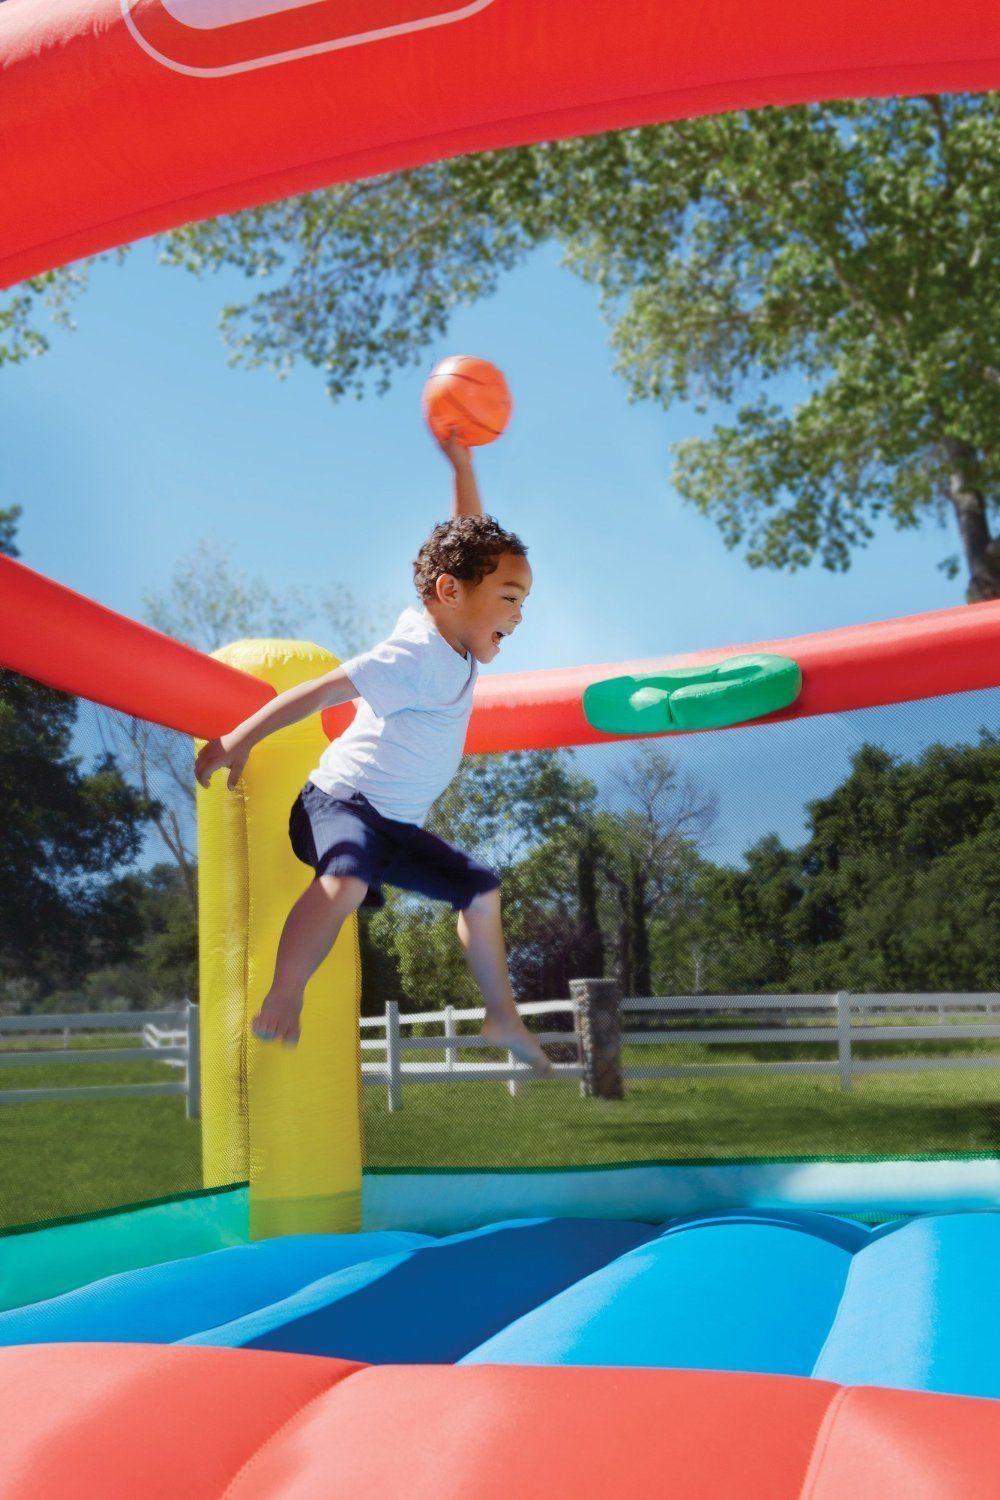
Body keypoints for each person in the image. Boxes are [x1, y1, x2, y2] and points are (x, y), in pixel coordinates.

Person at [194, 432, 553, 1075]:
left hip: (393, 826)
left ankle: (501, 1013)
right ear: (451, 593)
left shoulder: (458, 638)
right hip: (337, 804)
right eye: (509, 598)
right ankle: (285, 990)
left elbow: (469, 538)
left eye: (522, 600)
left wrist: (465, 464)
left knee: (479, 890)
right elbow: (318, 694)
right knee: (347, 878)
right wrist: (236, 740)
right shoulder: (412, 656)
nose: (519, 616)